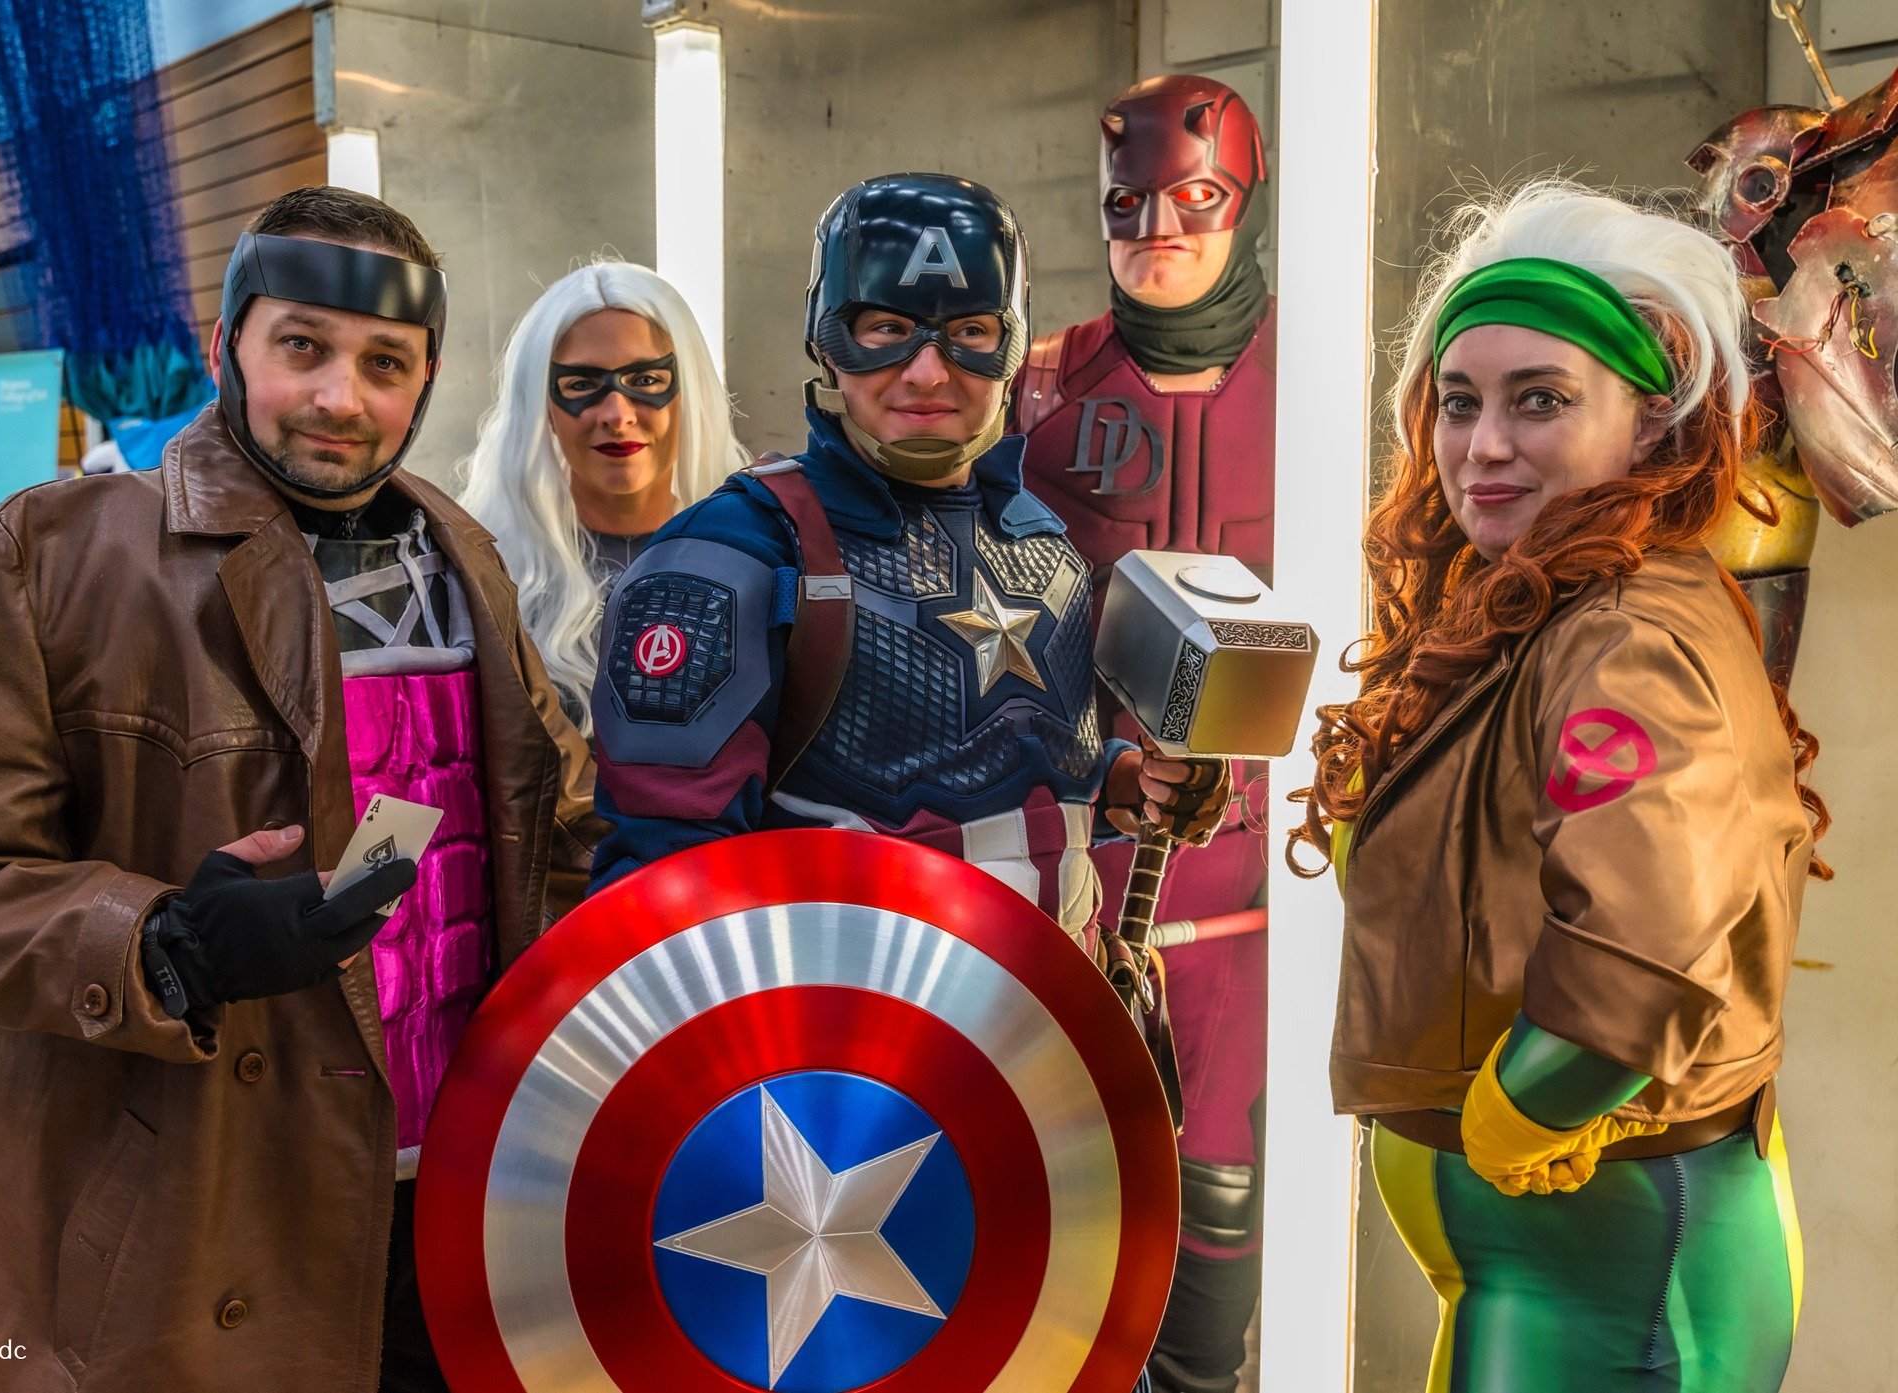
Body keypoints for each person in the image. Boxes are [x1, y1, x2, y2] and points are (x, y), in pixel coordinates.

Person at [0, 186, 603, 1392]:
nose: (338, 398)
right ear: (228, 346)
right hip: (202, 1225)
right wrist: (164, 945)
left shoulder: (469, 559)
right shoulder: (56, 555)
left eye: (384, 362)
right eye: (300, 345)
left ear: (427, 379)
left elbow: (555, 837)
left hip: (461, 1205)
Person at [1293, 181, 1829, 1391]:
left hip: (1617, 1262)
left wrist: (1524, 1108)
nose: (1482, 445)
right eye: (1459, 402)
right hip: (1552, 1257)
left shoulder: (1624, 630)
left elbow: (1646, 937)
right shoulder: (1540, 606)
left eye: (1539, 401)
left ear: (1649, 422)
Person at [588, 172, 1227, 957]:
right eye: (888, 328)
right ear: (827, 335)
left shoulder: (1040, 543)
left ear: (1014, 341)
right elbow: (659, 896)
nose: (928, 373)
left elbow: (1017, 778)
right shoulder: (732, 556)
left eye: (971, 331)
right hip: (845, 1055)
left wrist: (1125, 784)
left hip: (1064, 1042)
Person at [1012, 73, 1274, 1393]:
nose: (1157, 230)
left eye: (1196, 199)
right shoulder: (1044, 392)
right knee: (1072, 1202)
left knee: (1222, 1194)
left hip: (1267, 895)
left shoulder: (1328, 381)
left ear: (1247, 198)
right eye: (1127, 207)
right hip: (1084, 872)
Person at [460, 260, 747, 729]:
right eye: (582, 385)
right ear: (544, 406)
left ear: (687, 393)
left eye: (646, 380)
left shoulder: (757, 557)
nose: (616, 414)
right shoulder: (488, 573)